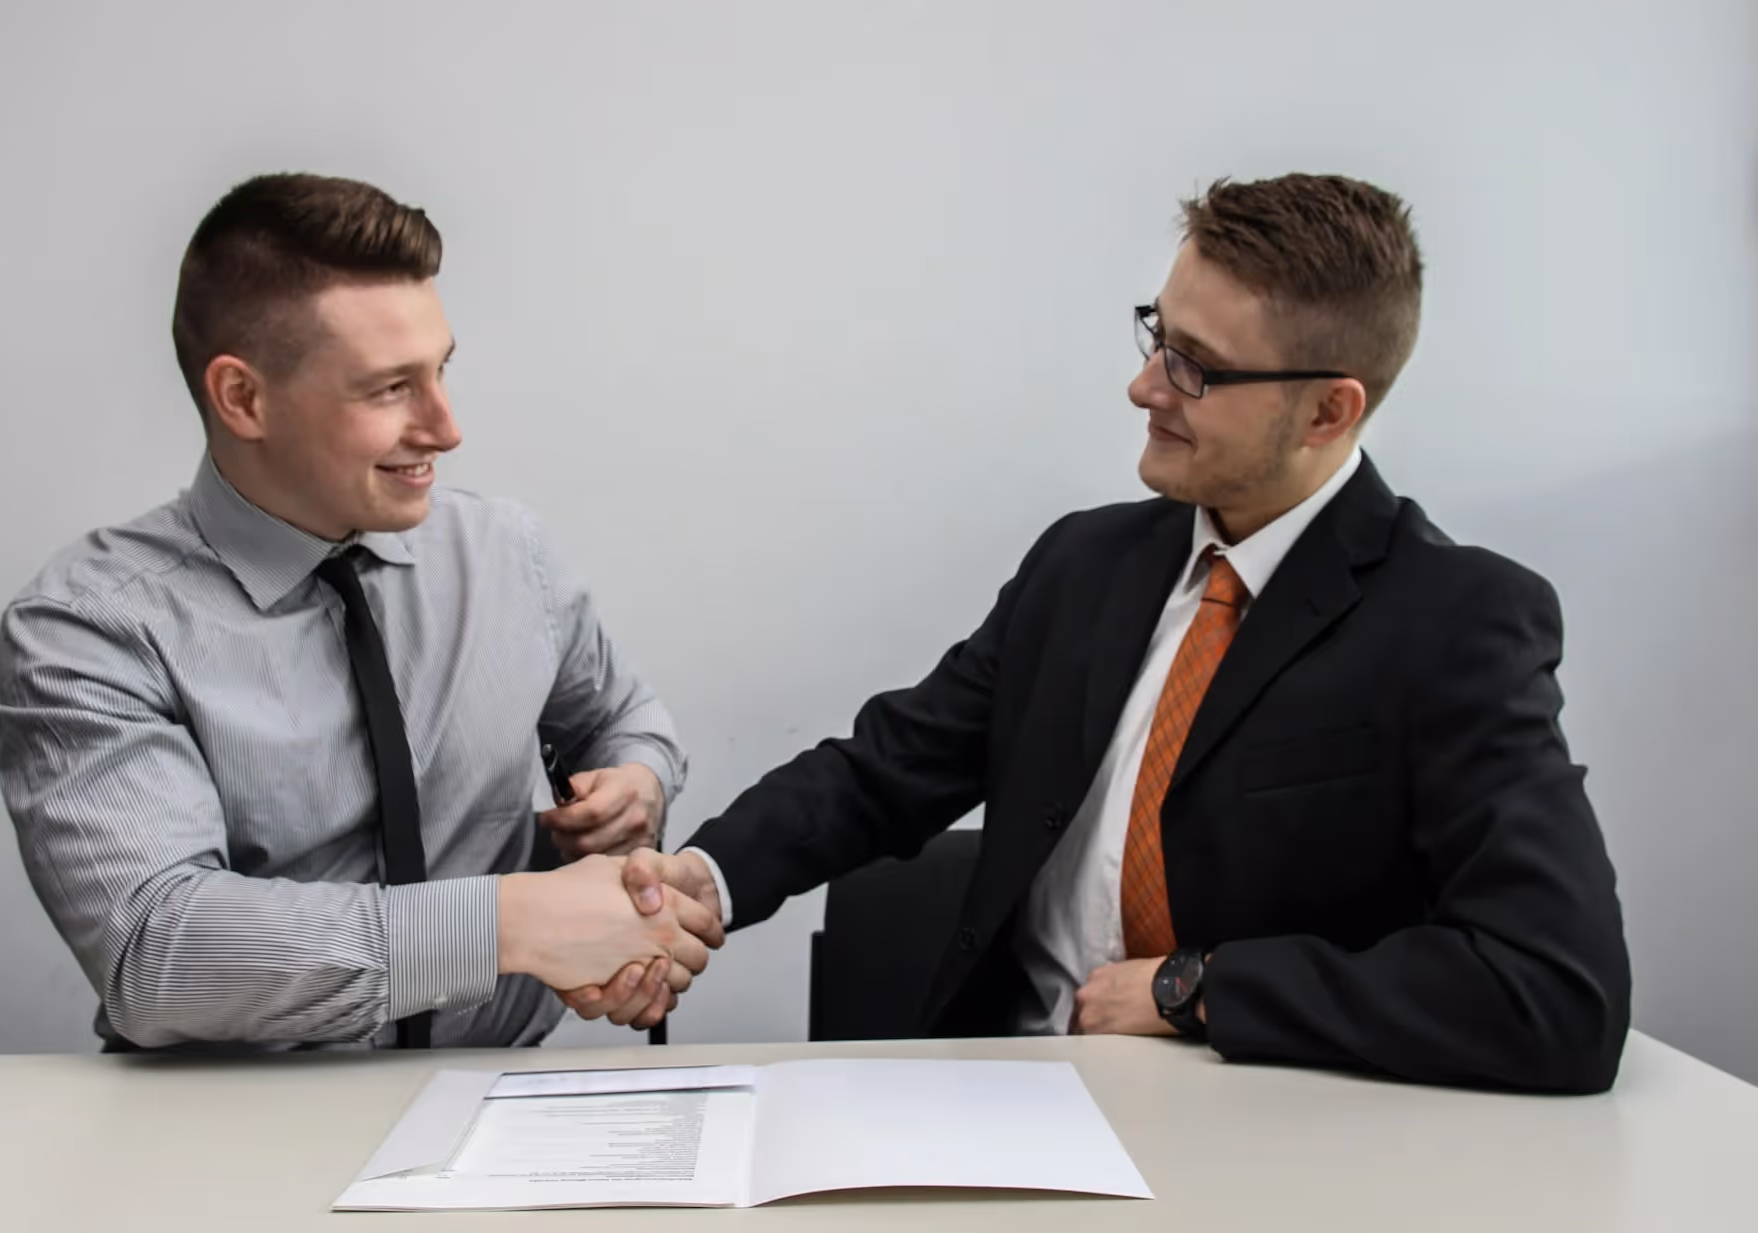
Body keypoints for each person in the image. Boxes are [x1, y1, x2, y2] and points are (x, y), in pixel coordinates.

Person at [581, 174, 1632, 1093]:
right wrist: (700, 881)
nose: (1145, 386)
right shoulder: (1086, 565)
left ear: (1328, 411)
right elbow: (884, 772)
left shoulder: (1456, 622)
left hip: (1268, 1147)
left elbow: (1556, 991)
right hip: (1002, 1101)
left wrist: (1195, 989)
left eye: (1195, 368)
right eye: (1156, 338)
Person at [0, 173, 716, 1051]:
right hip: (225, 1134)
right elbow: (158, 954)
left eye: (441, 371)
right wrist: (505, 924)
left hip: (501, 1100)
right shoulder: (89, 629)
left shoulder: (508, 554)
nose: (446, 429)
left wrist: (633, 786)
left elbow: (623, 721)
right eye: (389, 389)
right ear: (243, 399)